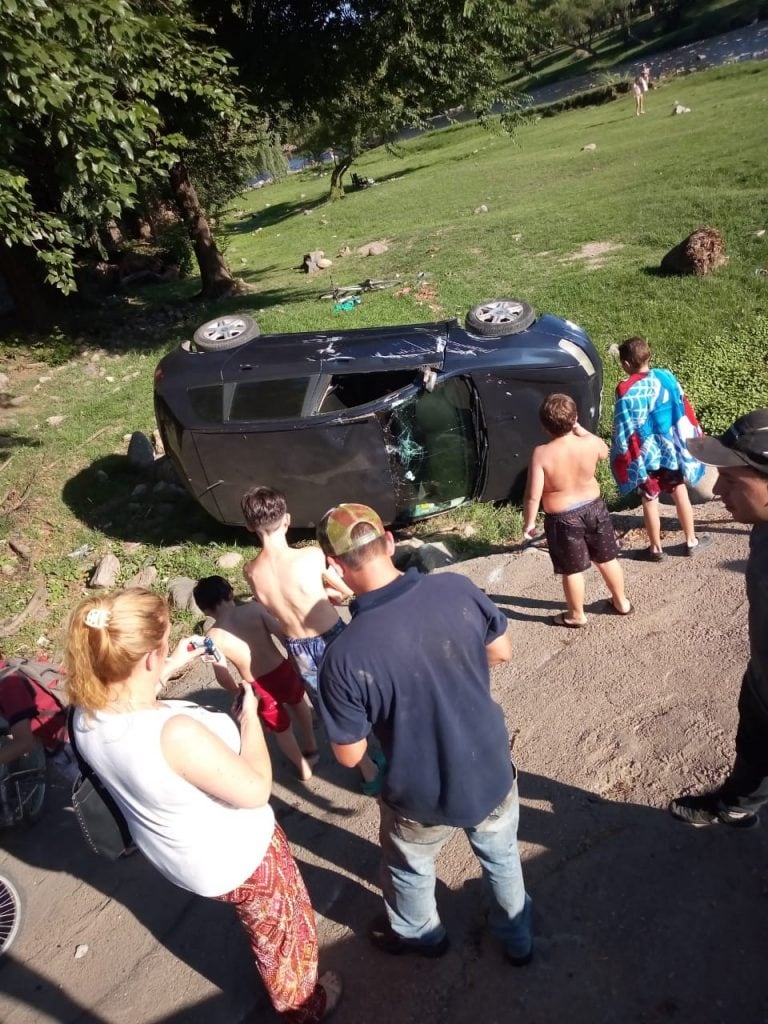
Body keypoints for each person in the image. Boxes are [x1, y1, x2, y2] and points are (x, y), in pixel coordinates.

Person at [65, 588, 341, 1022]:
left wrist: (172, 662)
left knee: (259, 921)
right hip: (239, 856)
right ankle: (303, 1005)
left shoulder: (84, 715)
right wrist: (249, 720)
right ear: (149, 658)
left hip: (179, 856)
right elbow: (254, 790)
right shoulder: (175, 733)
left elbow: (134, 707)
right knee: (279, 930)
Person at [316, 503, 533, 964]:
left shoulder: (344, 656)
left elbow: (350, 753)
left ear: (333, 568)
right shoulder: (455, 588)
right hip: (490, 765)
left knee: (410, 868)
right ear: (390, 542)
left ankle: (423, 937)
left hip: (418, 795)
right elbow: (502, 651)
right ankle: (517, 939)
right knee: (501, 855)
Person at [241, 486, 383, 795]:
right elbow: (343, 592)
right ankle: (385, 746)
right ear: (288, 520)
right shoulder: (311, 556)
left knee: (333, 709)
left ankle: (368, 770)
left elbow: (273, 606)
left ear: (251, 526)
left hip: (298, 647)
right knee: (368, 690)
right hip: (333, 637)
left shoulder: (251, 572)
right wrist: (327, 596)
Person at [669, 410, 768, 828]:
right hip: (762, 678)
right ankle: (739, 805)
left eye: (731, 480)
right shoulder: (760, 522)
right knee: (752, 751)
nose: (717, 490)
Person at [192, 575, 318, 781]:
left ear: (205, 610)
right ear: (231, 593)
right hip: (281, 670)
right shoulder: (253, 610)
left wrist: (237, 691)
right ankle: (311, 745)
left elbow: (221, 675)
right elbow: (283, 635)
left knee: (281, 729)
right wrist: (292, 660)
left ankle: (303, 767)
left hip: (256, 686)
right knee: (297, 702)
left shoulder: (212, 639)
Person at [523, 393, 631, 627]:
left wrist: (529, 522)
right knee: (607, 559)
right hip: (595, 509)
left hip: (563, 520)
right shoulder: (589, 443)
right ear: (576, 419)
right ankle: (621, 601)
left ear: (543, 425)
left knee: (572, 570)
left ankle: (576, 614)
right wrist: (583, 431)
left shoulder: (541, 454)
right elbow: (604, 451)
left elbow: (533, 496)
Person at [610, 336, 711, 561]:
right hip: (670, 452)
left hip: (644, 456)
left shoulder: (625, 389)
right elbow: (682, 408)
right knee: (679, 491)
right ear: (649, 356)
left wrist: (623, 456)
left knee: (649, 498)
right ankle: (691, 541)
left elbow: (623, 426)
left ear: (626, 364)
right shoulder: (666, 377)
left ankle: (655, 549)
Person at [0, 662, 77, 787]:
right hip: (64, 734)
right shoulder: (7, 667)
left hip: (69, 743)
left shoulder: (8, 683)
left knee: (97, 796)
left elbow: (24, 743)